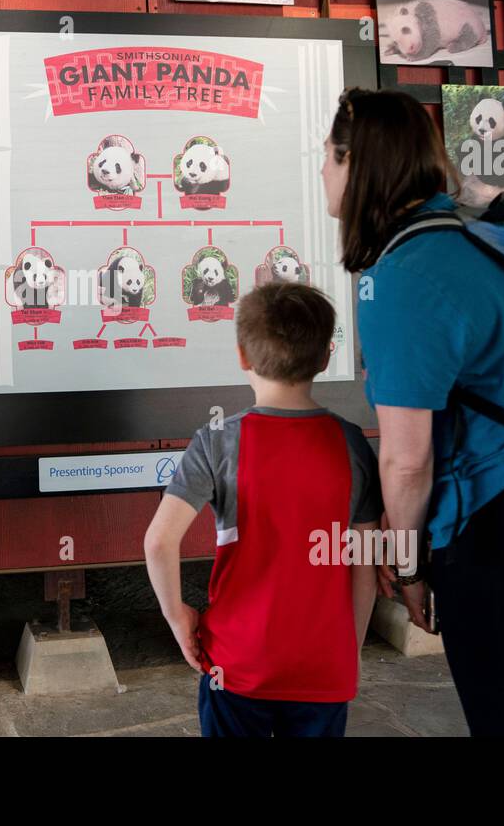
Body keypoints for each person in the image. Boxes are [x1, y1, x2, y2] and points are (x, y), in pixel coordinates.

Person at [320, 87, 504, 736]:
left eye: (329, 157)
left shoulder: (403, 274)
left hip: (499, 518)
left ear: (357, 163)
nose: (322, 172)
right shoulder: (483, 236)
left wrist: (412, 567)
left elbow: (406, 460)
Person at [144, 281, 382, 737]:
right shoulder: (352, 443)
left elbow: (158, 539)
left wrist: (178, 617)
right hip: (323, 669)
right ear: (326, 358)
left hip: (235, 665)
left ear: (242, 355)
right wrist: (346, 651)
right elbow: (364, 566)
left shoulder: (216, 443)